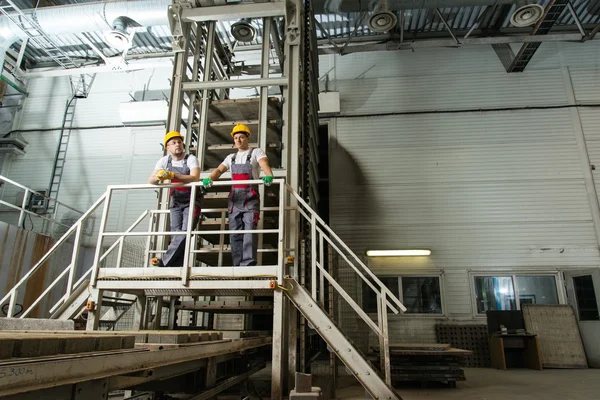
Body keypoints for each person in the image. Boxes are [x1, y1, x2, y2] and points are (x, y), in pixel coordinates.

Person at [202, 124, 273, 266]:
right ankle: (237, 264)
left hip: (250, 198)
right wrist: (210, 178)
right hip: (235, 200)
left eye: (241, 137)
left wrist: (269, 175)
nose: (238, 140)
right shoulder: (231, 157)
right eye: (235, 138)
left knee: (249, 230)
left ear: (248, 137)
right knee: (234, 233)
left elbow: (263, 163)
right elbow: (219, 170)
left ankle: (247, 264)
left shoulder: (256, 152)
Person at [148, 131, 201, 267]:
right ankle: (176, 267)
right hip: (175, 202)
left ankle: (164, 261)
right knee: (176, 235)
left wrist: (173, 175)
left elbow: (194, 177)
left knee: (184, 233)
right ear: (168, 147)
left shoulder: (190, 158)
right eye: (174, 143)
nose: (178, 144)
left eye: (179, 142)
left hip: (192, 201)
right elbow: (151, 180)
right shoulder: (164, 161)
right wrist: (159, 177)